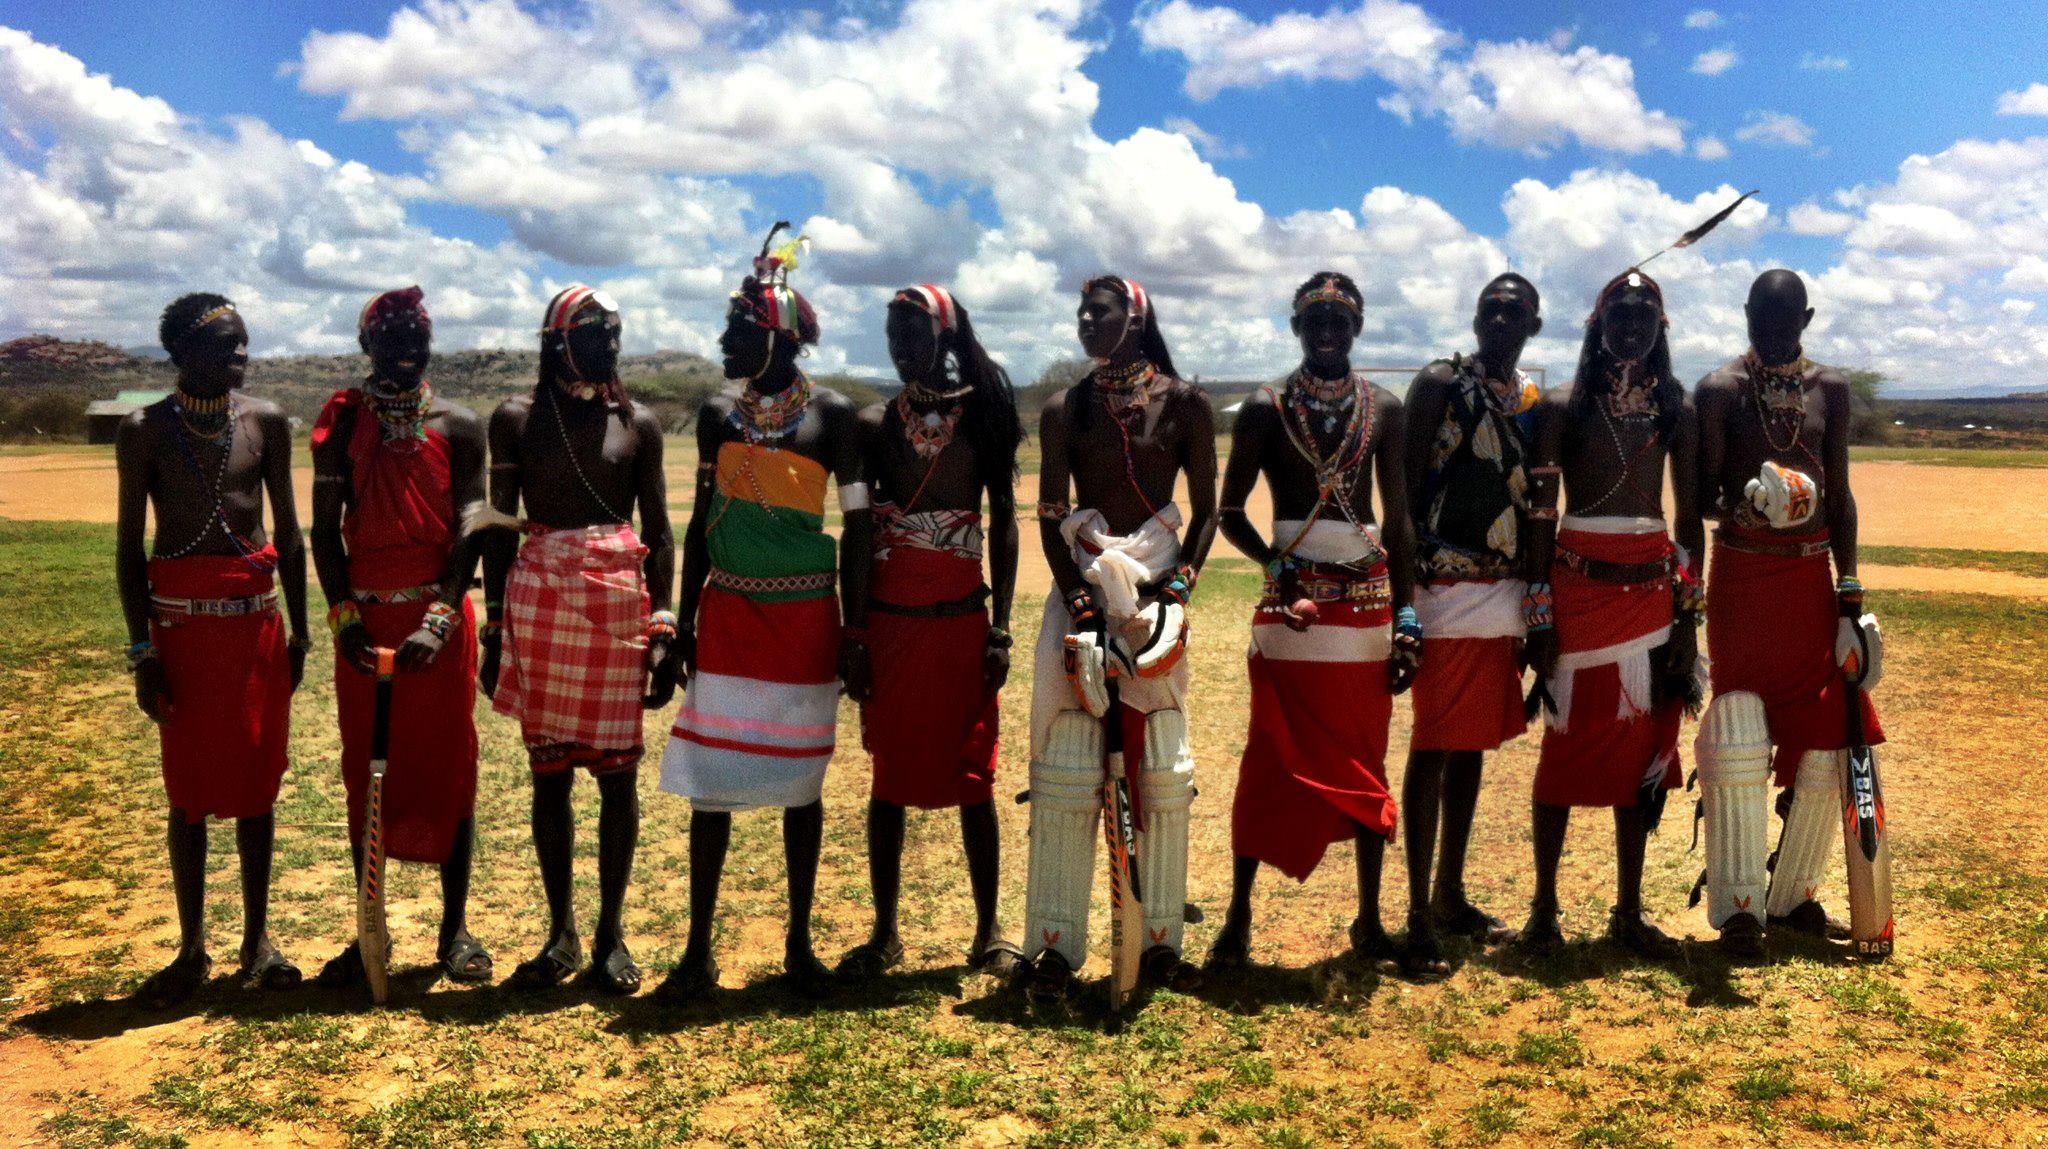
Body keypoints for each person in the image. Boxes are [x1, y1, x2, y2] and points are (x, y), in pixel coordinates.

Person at [657, 226, 871, 1000]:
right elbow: (696, 523)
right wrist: (680, 624)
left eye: (738, 330)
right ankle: (696, 949)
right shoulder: (718, 415)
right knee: (712, 784)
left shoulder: (834, 417)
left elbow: (859, 529)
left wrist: (854, 631)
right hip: (729, 619)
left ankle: (799, 944)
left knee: (800, 788)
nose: (723, 341)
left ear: (776, 337)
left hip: (807, 622)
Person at [1204, 271, 1417, 972]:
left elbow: (1402, 520)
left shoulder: (1384, 407)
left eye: (1339, 317)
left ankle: (1370, 920)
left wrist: (1409, 617)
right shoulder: (1266, 409)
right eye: (1314, 317)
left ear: (1357, 326)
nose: (1327, 328)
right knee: (1269, 758)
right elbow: (1228, 513)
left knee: (1364, 760)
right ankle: (1237, 920)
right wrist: (1275, 567)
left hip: (1364, 612)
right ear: (1296, 325)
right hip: (1288, 613)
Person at [1021, 275, 1218, 1002]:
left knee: (1161, 761)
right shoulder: (1064, 408)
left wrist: (1179, 587)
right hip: (1082, 578)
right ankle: (1052, 944)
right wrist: (1075, 593)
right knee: (1067, 757)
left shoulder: (1187, 404)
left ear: (1135, 319)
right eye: (1079, 311)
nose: (1084, 321)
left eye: (1098, 311)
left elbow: (1206, 511)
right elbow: (1050, 514)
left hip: (1157, 589)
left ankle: (1161, 939)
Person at [480, 285, 678, 994]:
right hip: (540, 609)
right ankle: (561, 931)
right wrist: (493, 628)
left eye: (616, 335)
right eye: (596, 335)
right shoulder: (515, 420)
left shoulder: (639, 424)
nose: (611, 347)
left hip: (620, 612)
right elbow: (499, 526)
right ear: (557, 341)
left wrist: (664, 626)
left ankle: (610, 933)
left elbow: (659, 535)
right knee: (550, 774)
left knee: (619, 776)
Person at [115, 293, 311, 1007]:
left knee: (258, 787)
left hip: (255, 631)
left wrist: (302, 631)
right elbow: (130, 552)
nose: (241, 356)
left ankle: (258, 941)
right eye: (227, 345)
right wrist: (143, 652)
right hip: (183, 637)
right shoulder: (144, 431)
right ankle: (192, 946)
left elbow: (288, 535)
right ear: (182, 354)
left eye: (245, 344)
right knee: (190, 794)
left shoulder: (264, 421)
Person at [836, 284, 1025, 984]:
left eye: (911, 333)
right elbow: (857, 532)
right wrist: (853, 633)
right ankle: (885, 932)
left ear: (944, 336)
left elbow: (1003, 519)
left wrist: (1001, 625)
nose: (899, 347)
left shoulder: (984, 416)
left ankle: (989, 930)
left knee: (975, 775)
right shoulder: (870, 424)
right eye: (892, 334)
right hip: (891, 628)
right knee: (888, 778)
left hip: (961, 626)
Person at [1693, 269, 1884, 957]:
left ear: (1806, 318)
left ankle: (1795, 893)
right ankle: (1739, 906)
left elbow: (1841, 494)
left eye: (1785, 326)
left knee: (1827, 734)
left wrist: (1850, 590)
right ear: (1745, 314)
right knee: (1740, 728)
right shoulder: (1719, 390)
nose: (1772, 338)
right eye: (1760, 325)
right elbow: (1699, 497)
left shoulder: (1829, 389)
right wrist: (1743, 503)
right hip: (1743, 575)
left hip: (1810, 578)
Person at [1516, 268, 1702, 958]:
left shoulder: (1674, 409)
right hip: (1578, 598)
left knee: (1636, 755)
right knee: (1562, 752)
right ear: (1598, 324)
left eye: (1644, 314)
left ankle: (1629, 909)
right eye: (1619, 314)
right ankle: (1543, 907)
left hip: (1653, 603)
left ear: (1661, 328)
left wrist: (1689, 619)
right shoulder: (1563, 406)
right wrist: (1539, 616)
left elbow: (1689, 521)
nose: (1631, 325)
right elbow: (1540, 518)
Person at [309, 287, 492, 988]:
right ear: (367, 347)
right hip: (365, 626)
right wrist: (344, 615)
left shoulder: (460, 424)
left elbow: (472, 522)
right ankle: (369, 930)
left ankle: (456, 930)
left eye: (417, 335)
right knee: (366, 770)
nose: (406, 349)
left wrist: (442, 616)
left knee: (450, 766)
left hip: (439, 628)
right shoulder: (341, 423)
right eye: (390, 338)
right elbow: (326, 531)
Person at [1398, 274, 1544, 975]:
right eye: (1491, 306)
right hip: (1445, 589)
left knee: (1474, 742)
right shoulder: (1438, 384)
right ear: (1476, 315)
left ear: (1533, 326)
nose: (1501, 317)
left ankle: (1450, 891)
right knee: (1434, 742)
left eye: (1515, 310)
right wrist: (1404, 593)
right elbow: (1400, 494)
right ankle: (1416, 912)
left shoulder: (1529, 400)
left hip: (1503, 593)